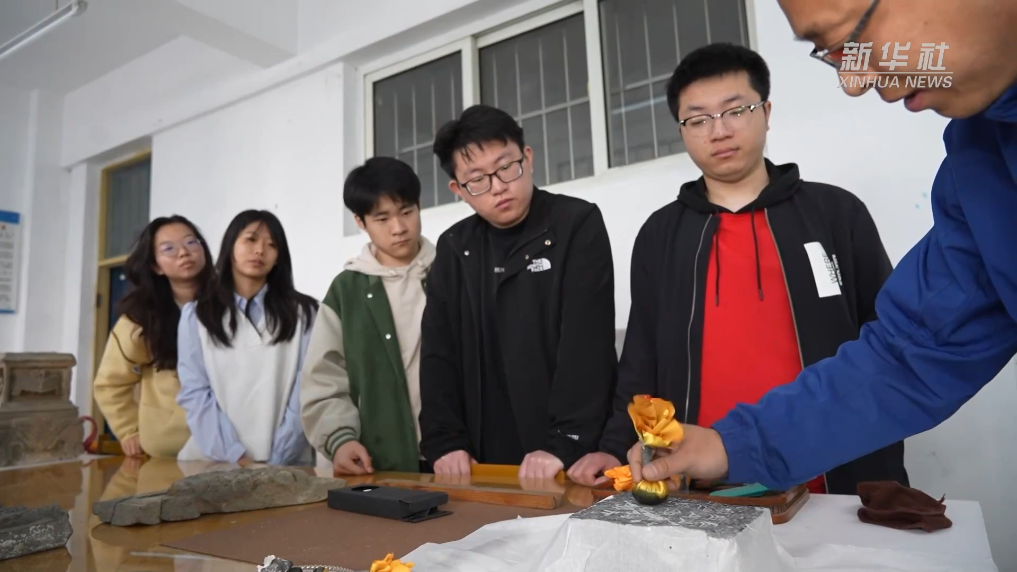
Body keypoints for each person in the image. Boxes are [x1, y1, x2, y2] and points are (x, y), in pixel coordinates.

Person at [629, 0, 1017, 492]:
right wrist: (733, 446)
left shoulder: (835, 212)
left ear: (765, 113)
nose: (855, 82)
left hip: (836, 482)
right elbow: (911, 350)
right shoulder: (982, 162)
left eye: (850, 37)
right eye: (833, 54)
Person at [569, 43, 908, 495]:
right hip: (700, 479)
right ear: (682, 131)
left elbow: (887, 335)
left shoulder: (834, 214)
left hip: (835, 471)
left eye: (736, 110)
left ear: (766, 112)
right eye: (698, 119)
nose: (719, 130)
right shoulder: (661, 234)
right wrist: (613, 446)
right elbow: (640, 360)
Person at [419, 104, 617, 479]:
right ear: (459, 190)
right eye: (477, 179)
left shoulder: (576, 223)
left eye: (506, 167)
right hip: (480, 455)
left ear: (528, 157)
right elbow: (438, 354)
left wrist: (565, 442)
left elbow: (587, 343)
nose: (498, 187)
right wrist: (444, 441)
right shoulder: (454, 247)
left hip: (566, 455)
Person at [301, 157, 436, 475]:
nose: (399, 228)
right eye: (382, 218)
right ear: (360, 222)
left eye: (407, 212)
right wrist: (340, 439)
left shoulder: (451, 272)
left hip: (459, 457)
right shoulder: (347, 291)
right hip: (379, 461)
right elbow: (324, 378)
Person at [176, 210, 317, 466]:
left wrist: (277, 460)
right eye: (250, 240)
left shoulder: (306, 313)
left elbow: (307, 386)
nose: (260, 250)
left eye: (271, 245)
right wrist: (236, 455)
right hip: (212, 461)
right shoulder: (196, 315)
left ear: (279, 257)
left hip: (286, 463)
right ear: (230, 246)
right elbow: (195, 392)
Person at [93, 216, 213, 458]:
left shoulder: (229, 306)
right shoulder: (140, 320)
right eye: (169, 249)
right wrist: (128, 430)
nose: (184, 253)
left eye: (191, 242)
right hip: (169, 446)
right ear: (156, 266)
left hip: (228, 441)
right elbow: (110, 383)